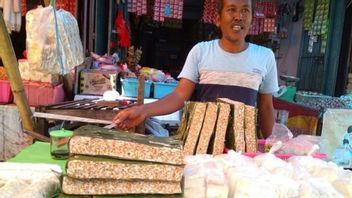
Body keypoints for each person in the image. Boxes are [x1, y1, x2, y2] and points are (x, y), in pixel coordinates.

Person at [113, 0, 279, 138]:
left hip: (242, 151)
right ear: (218, 19)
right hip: (202, 146)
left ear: (251, 19)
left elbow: (265, 107)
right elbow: (179, 96)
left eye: (245, 10)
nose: (238, 17)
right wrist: (143, 111)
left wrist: (271, 146)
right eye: (232, 10)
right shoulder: (201, 51)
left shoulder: (265, 56)